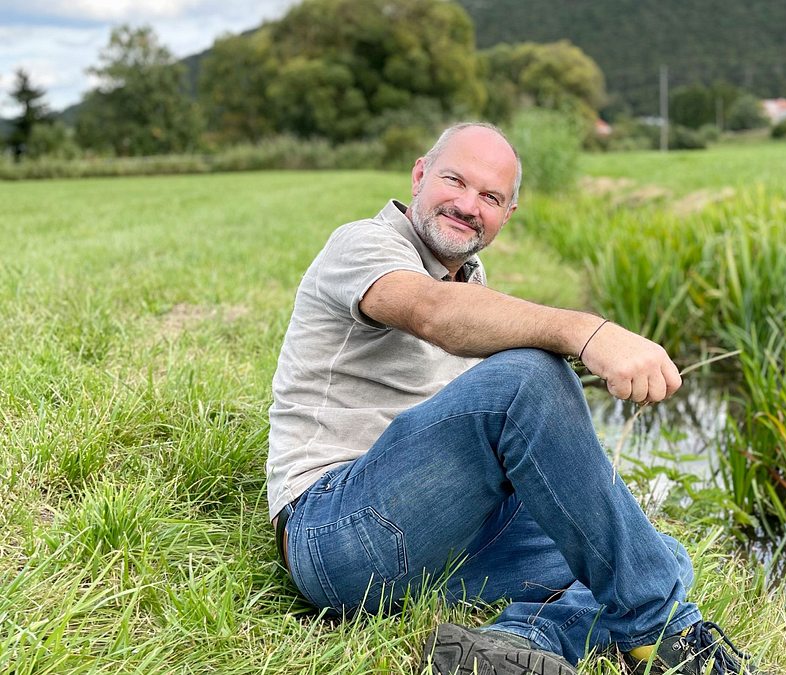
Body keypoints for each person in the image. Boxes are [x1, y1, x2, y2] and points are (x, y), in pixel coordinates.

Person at [266, 122, 755, 675]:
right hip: (337, 531)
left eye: (491, 197)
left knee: (646, 552)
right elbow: (434, 314)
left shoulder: (470, 283)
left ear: (507, 216)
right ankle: (670, 638)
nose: (468, 204)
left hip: (442, 534)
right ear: (420, 175)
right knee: (527, 375)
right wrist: (588, 333)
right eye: (455, 180)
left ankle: (517, 644)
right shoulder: (363, 244)